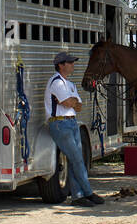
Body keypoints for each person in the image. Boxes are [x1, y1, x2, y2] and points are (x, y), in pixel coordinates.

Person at [44, 51, 104, 207]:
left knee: (75, 159)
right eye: (69, 63)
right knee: (77, 158)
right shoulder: (56, 82)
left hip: (71, 122)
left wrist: (71, 101)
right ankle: (88, 192)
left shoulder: (70, 84)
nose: (73, 65)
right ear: (60, 65)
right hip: (60, 123)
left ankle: (77, 196)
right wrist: (70, 101)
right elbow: (68, 103)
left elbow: (77, 105)